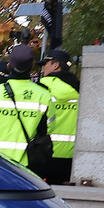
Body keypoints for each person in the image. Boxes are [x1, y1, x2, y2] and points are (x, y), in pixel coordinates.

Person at [0, 45, 54, 177]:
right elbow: (47, 130)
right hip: (27, 165)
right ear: (32, 66)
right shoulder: (43, 95)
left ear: (9, 65)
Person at [38, 48, 80, 184]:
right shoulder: (80, 89)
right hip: (72, 156)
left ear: (55, 65)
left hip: (44, 154)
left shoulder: (41, 88)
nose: (43, 68)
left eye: (45, 64)